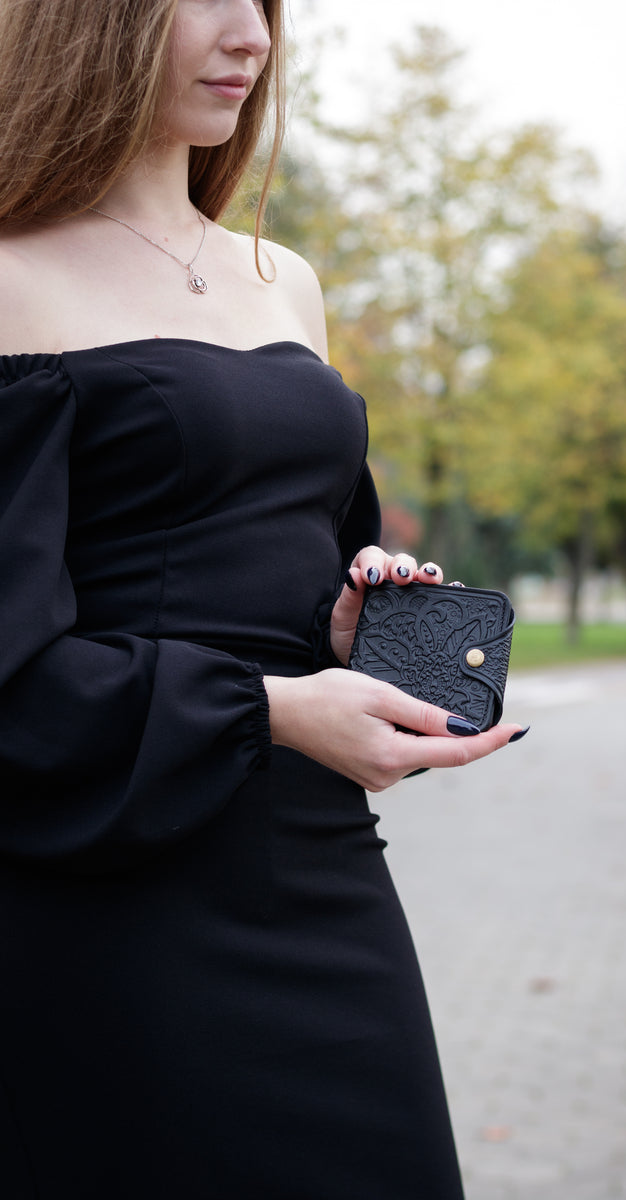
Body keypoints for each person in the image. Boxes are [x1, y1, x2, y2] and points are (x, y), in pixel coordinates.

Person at [0, 1, 528, 1196]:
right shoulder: (7, 281)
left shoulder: (281, 279)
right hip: (111, 898)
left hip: (317, 863)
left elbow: (275, 571)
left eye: (267, 3)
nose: (252, 36)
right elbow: (14, 678)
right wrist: (276, 708)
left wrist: (337, 633)